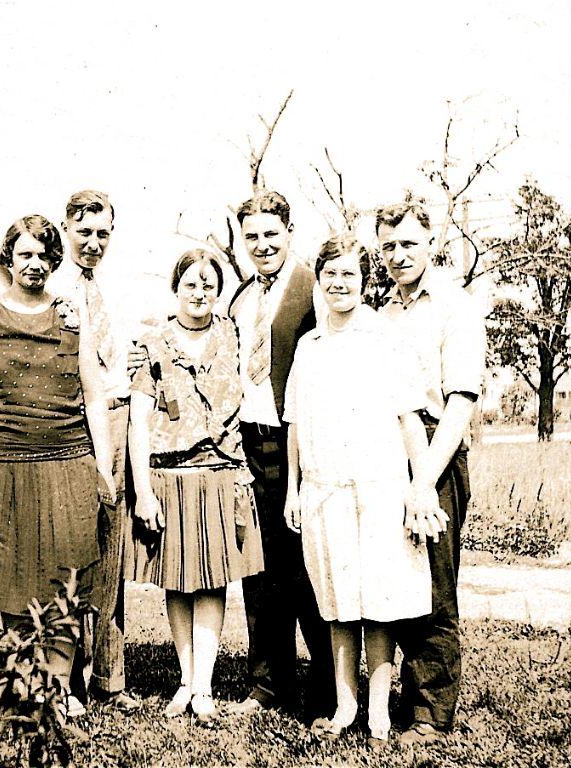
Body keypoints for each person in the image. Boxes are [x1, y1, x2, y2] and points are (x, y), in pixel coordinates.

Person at [282, 234, 437, 743]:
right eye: (331, 274)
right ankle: (346, 705)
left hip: (378, 488)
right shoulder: (310, 346)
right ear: (320, 281)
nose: (339, 283)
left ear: (364, 279)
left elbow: (410, 419)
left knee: (378, 602)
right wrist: (293, 490)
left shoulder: (384, 338)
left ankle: (378, 710)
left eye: (349, 273)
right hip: (323, 490)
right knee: (338, 601)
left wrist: (422, 487)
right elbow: (296, 427)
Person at [0, 214, 116, 718]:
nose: (33, 264)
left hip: (66, 460)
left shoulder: (72, 320)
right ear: (9, 258)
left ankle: (59, 685)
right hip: (1, 461)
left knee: (67, 573)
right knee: (12, 576)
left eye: (42, 255)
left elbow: (95, 396)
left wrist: (105, 466)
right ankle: (24, 682)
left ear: (55, 261)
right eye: (23, 254)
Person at [124, 249, 264, 722]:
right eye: (191, 285)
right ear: (175, 288)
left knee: (213, 581)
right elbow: (139, 422)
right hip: (170, 477)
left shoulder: (232, 334)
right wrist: (143, 490)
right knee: (178, 581)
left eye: (208, 285)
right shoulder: (153, 343)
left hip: (221, 473)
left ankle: (203, 685)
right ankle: (186, 680)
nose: (200, 294)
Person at [375, 199, 487, 744]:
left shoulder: (454, 307)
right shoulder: (385, 311)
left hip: (437, 458)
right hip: (388, 455)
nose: (398, 255)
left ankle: (430, 711)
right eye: (389, 246)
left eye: (409, 244)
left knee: (435, 587)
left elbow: (460, 402)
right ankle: (392, 695)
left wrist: (423, 485)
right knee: (396, 578)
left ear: (432, 243)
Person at [227, 191, 336, 718]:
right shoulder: (242, 298)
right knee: (260, 571)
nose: (262, 244)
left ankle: (326, 690)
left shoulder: (314, 289)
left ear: (289, 231)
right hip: (248, 445)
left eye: (271, 233)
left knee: (307, 569)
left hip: (298, 444)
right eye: (252, 236)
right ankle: (267, 684)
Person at [49, 190, 141, 711]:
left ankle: (110, 677)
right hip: (79, 424)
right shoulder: (56, 287)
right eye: (84, 231)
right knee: (74, 550)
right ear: (67, 228)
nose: (93, 242)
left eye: (103, 232)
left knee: (112, 549)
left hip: (119, 418)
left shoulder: (111, 287)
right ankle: (67, 680)